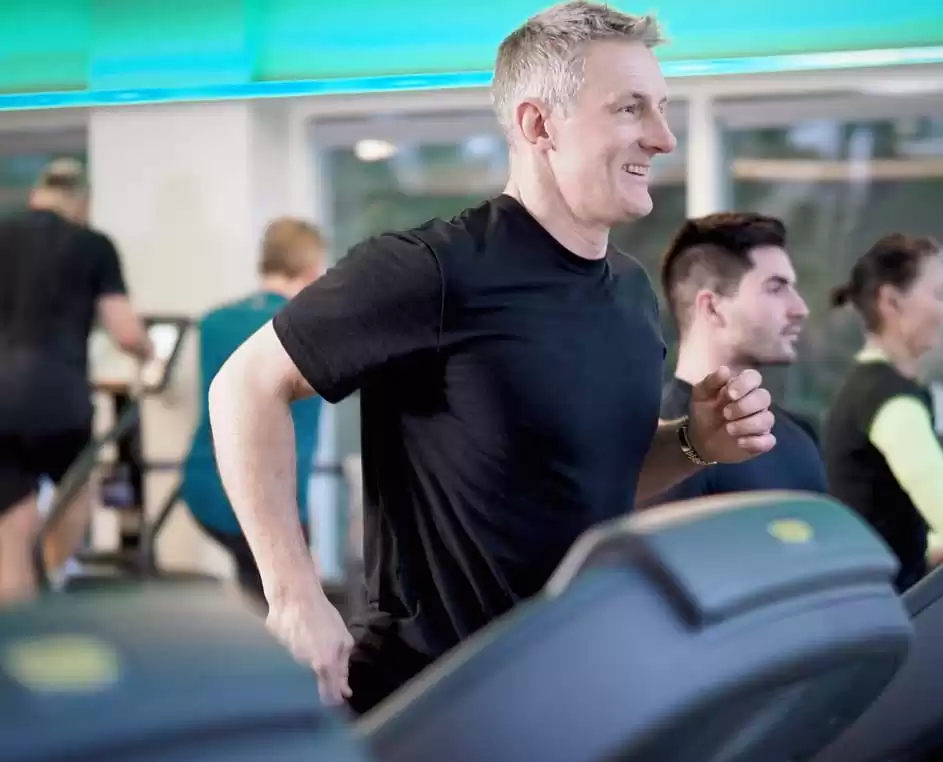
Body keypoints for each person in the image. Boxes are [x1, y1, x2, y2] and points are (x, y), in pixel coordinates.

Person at [208, 0, 776, 713]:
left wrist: (694, 442)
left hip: (575, 684)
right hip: (440, 697)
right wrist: (293, 595)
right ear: (539, 125)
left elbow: (594, 483)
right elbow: (244, 386)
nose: (662, 138)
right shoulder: (431, 270)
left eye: (661, 108)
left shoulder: (630, 293)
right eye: (631, 109)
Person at [0, 158, 153, 604]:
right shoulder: (92, 244)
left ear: (36, 195)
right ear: (81, 202)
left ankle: (16, 627)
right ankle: (54, 577)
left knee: (10, 526)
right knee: (74, 491)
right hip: (59, 398)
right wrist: (151, 353)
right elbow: (125, 330)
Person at [823, 233, 943, 592]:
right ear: (891, 301)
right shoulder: (888, 399)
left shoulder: (873, 389)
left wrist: (930, 544)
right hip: (882, 612)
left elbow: (880, 511)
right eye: (939, 295)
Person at [181, 218, 327, 607]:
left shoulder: (214, 321)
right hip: (264, 492)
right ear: (313, 270)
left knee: (260, 589)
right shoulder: (309, 325)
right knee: (298, 601)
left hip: (203, 486)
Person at [657, 212, 827, 501]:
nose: (799, 308)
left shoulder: (800, 435)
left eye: (792, 288)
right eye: (775, 288)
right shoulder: (661, 449)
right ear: (712, 308)